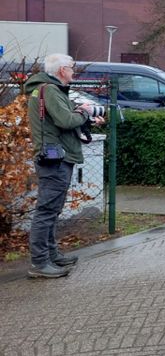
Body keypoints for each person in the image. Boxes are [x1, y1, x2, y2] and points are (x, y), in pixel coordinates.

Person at [24, 54, 104, 279]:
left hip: (58, 157)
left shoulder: (50, 90)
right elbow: (66, 120)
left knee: (52, 210)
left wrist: (86, 119)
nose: (73, 71)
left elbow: (64, 120)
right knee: (47, 211)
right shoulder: (49, 90)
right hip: (55, 159)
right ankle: (40, 263)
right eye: (71, 68)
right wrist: (84, 111)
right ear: (61, 70)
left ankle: (51, 255)